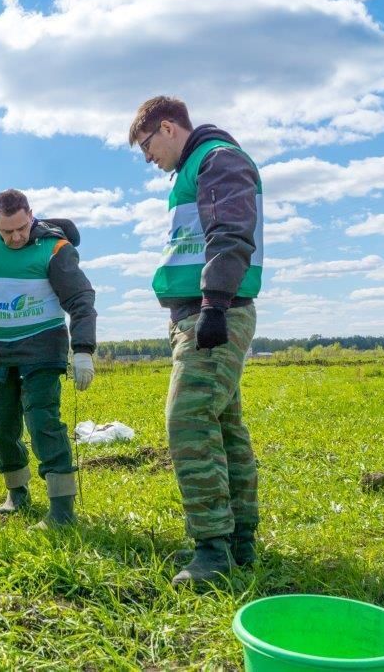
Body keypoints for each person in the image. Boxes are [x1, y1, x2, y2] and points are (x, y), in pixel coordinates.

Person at [129, 95, 263, 585]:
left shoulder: (216, 160)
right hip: (202, 312)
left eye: (147, 145)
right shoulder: (193, 173)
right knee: (224, 427)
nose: (148, 157)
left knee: (186, 419)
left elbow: (230, 234)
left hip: (214, 314)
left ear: (168, 127)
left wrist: (213, 303)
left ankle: (212, 550)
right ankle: (241, 539)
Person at [0, 188, 97, 529]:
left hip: (42, 351)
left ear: (31, 215)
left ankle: (61, 510)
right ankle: (17, 492)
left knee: (43, 423)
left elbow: (81, 299)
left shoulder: (55, 249)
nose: (15, 237)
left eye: (21, 228)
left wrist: (83, 350)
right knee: (1, 429)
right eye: (7, 231)